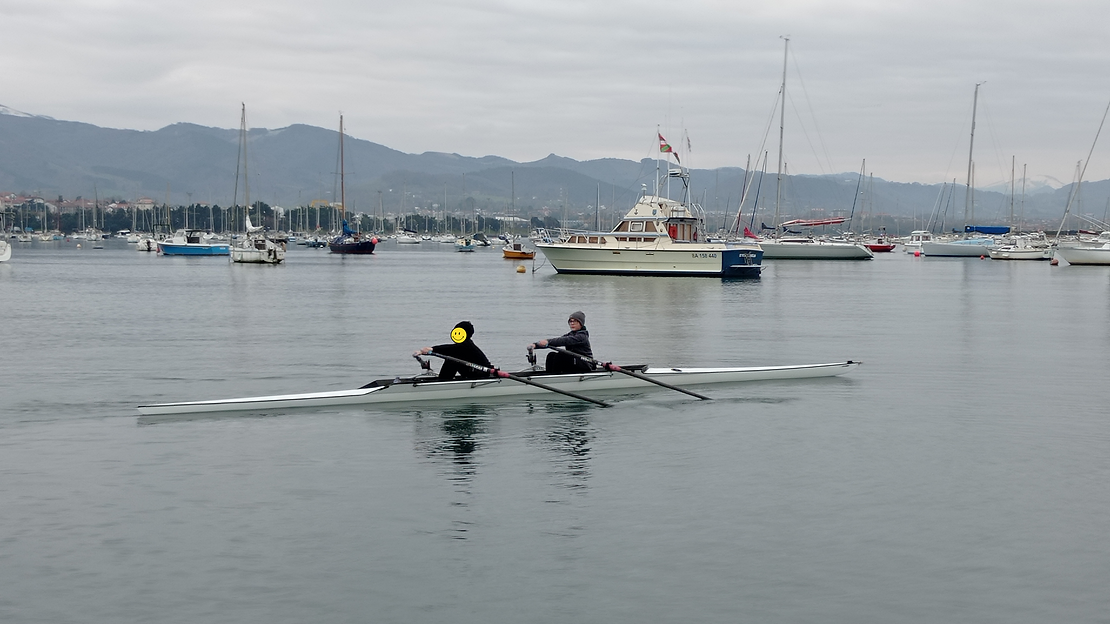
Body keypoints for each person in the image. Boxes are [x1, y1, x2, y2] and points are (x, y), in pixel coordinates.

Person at [414, 321, 493, 381]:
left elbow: (448, 349)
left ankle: (443, 383)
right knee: (453, 358)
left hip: (483, 374)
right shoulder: (464, 345)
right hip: (476, 372)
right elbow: (450, 349)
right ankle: (443, 381)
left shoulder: (466, 346)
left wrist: (431, 349)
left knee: (452, 360)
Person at [528, 311, 594, 374]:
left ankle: (555, 378)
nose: (572, 323)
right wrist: (535, 345)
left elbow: (563, 341)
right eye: (570, 321)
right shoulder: (571, 334)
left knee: (561, 356)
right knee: (551, 355)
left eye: (575, 321)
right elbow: (558, 341)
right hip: (575, 361)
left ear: (581, 323)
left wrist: (547, 341)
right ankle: (550, 375)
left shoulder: (582, 336)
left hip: (585, 363)